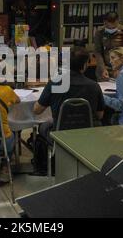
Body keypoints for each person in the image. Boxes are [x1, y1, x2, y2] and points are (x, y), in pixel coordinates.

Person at [32, 46, 105, 174]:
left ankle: (48, 166)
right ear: (85, 65)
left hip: (61, 133)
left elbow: (37, 110)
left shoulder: (55, 83)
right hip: (89, 133)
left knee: (43, 127)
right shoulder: (94, 86)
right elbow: (99, 115)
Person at [94, 12, 123, 81]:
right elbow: (98, 52)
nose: (111, 28)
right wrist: (103, 68)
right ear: (105, 22)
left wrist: (121, 68)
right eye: (108, 27)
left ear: (117, 21)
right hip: (104, 68)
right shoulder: (100, 32)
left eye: (113, 26)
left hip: (121, 69)